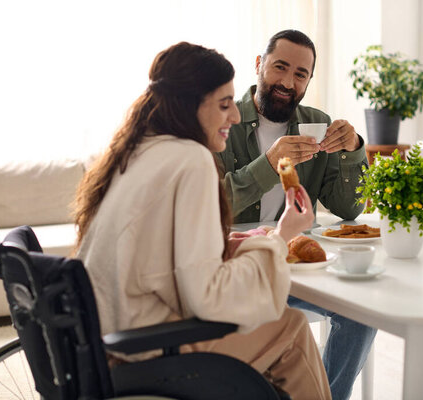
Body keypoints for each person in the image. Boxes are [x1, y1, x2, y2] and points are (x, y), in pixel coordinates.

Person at [72, 41, 331, 399]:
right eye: (225, 105)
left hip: (106, 337)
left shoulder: (138, 150)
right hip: (149, 347)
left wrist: (236, 243)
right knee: (292, 328)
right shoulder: (192, 159)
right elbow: (208, 297)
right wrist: (282, 235)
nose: (236, 116)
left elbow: (159, 249)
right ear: (189, 104)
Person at [216, 30, 376, 399]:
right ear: (259, 65)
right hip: (243, 267)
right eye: (279, 67)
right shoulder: (225, 121)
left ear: (308, 80)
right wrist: (269, 163)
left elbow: (349, 208)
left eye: (300, 74)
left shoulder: (316, 122)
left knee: (360, 312)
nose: (287, 82)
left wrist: (353, 149)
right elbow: (214, 205)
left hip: (302, 265)